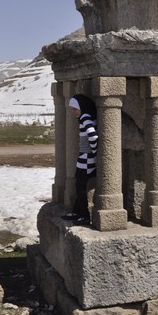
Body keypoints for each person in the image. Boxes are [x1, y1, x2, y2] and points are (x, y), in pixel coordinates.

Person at [61, 94, 98, 226]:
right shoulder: (87, 117)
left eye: (76, 108)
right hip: (86, 158)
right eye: (72, 109)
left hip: (86, 159)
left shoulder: (85, 118)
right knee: (79, 187)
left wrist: (95, 153)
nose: (74, 112)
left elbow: (93, 137)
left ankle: (84, 215)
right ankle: (77, 211)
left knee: (80, 188)